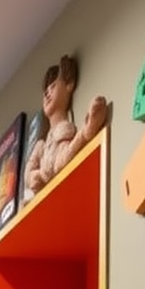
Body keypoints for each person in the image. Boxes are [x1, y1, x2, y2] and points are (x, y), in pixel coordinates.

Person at [24, 54, 107, 197]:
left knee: (61, 161)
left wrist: (84, 135)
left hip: (59, 174)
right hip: (46, 189)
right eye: (45, 92)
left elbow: (60, 162)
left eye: (53, 86)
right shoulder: (41, 145)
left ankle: (87, 131)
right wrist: (33, 176)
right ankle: (86, 132)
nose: (47, 94)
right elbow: (29, 170)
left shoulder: (65, 128)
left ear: (69, 85)